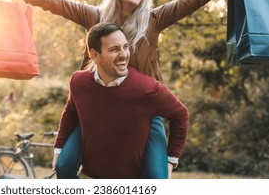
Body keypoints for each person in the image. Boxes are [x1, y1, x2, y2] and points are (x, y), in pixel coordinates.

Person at [2, 0, 268, 178]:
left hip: (143, 109)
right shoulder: (94, 17)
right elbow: (55, 2)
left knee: (154, 177)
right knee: (64, 165)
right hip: (100, 105)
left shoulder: (153, 20)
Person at [53, 22, 189, 178]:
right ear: (94, 55)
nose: (124, 54)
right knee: (63, 166)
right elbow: (71, 111)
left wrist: (170, 160)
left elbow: (180, 114)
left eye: (125, 47)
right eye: (114, 49)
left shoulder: (146, 88)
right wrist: (58, 148)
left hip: (136, 167)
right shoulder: (79, 81)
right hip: (95, 167)